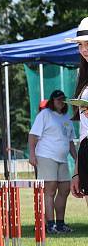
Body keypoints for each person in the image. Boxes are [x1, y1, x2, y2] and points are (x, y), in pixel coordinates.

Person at [28, 90, 77, 234]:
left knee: (65, 189)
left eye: (62, 100)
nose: (60, 102)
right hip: (46, 156)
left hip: (62, 159)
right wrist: (32, 154)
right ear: (52, 101)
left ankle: (60, 224)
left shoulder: (67, 118)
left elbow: (70, 142)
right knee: (50, 190)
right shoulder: (44, 115)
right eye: (57, 100)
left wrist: (76, 158)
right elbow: (32, 136)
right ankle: (50, 224)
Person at [67, 18, 88, 197]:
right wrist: (76, 171)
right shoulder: (83, 80)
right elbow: (84, 132)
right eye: (80, 44)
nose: (84, 49)